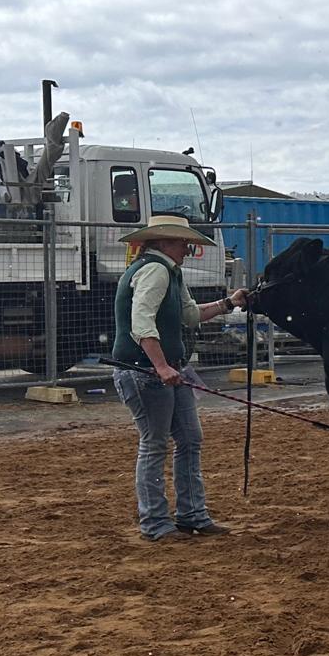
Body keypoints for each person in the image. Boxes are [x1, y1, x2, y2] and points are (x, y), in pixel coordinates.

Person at [111, 214, 249, 542]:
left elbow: (189, 314)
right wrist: (160, 366)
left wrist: (229, 303)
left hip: (160, 369)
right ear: (165, 242)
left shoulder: (167, 271)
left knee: (182, 440)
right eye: (183, 242)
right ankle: (160, 522)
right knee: (161, 443)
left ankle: (187, 516)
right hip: (147, 371)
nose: (188, 248)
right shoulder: (157, 272)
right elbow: (142, 321)